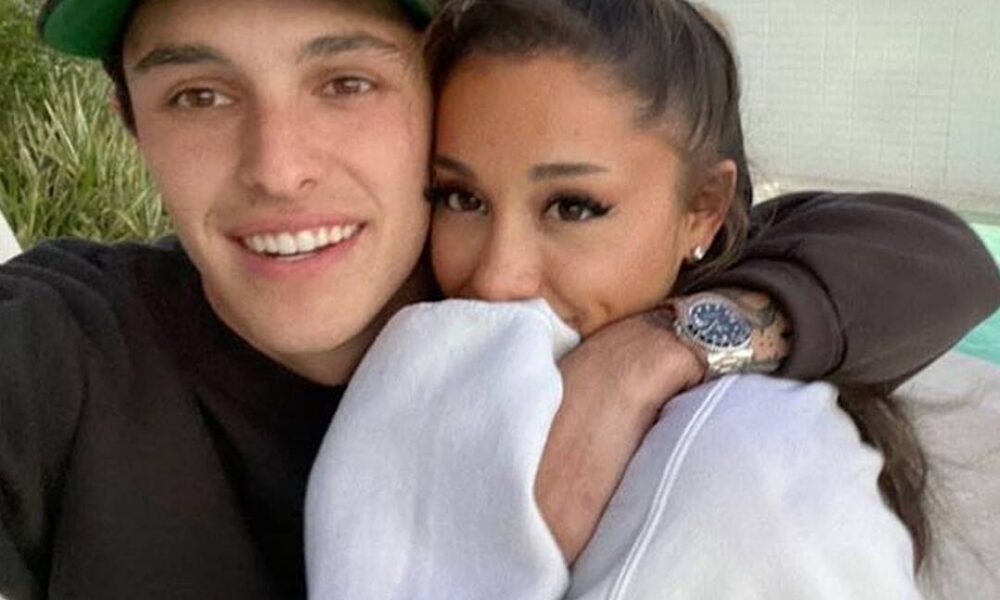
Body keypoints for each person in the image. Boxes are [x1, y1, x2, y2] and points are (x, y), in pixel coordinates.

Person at [0, 0, 996, 598]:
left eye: (345, 82)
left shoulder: (687, 403)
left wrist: (654, 352)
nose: (280, 167)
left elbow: (933, 253)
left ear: (429, 96)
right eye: (199, 96)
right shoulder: (58, 351)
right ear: (131, 122)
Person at [303, 0, 995, 598]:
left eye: (573, 207)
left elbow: (945, 257)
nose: (498, 277)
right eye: (461, 198)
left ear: (703, 209)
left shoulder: (754, 458)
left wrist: (653, 354)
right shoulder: (386, 324)